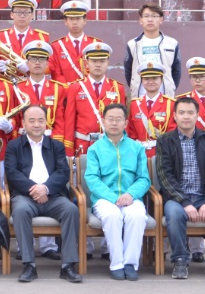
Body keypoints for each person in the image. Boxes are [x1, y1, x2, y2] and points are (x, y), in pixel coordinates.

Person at [156, 96, 205, 279]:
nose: (186, 116)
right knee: (174, 215)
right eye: (181, 112)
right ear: (174, 116)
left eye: (190, 113)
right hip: (177, 198)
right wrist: (184, 202)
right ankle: (180, 260)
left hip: (204, 197)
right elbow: (165, 176)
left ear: (197, 115)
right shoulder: (165, 141)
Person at [4, 104, 82, 284]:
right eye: (31, 121)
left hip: (53, 196)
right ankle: (29, 265)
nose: (36, 124)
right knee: (20, 211)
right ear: (23, 123)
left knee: (71, 210)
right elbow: (12, 173)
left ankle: (68, 266)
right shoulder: (14, 146)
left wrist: (45, 188)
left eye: (40, 120)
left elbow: (63, 172)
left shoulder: (56, 146)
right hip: (25, 196)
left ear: (46, 123)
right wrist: (34, 189)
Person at [12, 44, 68, 262]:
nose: (37, 63)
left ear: (47, 63)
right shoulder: (17, 87)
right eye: (33, 59)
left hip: (51, 146)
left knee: (49, 187)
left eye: (41, 59)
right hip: (24, 144)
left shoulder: (58, 88)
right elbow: (15, 118)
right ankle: (23, 246)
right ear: (26, 63)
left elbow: (61, 119)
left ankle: (48, 246)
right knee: (26, 192)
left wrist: (59, 145)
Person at [84, 103, 150, 281]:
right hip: (104, 199)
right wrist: (113, 198)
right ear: (103, 121)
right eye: (110, 119)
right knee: (113, 215)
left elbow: (144, 179)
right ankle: (117, 264)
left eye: (118, 119)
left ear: (126, 123)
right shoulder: (95, 149)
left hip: (131, 197)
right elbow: (92, 179)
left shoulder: (136, 148)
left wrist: (130, 194)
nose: (114, 123)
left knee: (137, 216)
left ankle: (130, 264)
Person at [63, 42, 124, 157]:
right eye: (94, 61)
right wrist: (69, 152)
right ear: (87, 63)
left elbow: (122, 121)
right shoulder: (75, 88)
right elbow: (70, 121)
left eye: (102, 61)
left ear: (108, 63)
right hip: (83, 146)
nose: (98, 65)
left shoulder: (117, 88)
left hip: (110, 145)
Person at [124, 4, 181, 98]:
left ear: (161, 19)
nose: (150, 19)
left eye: (154, 16)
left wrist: (170, 87)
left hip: (165, 95)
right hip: (140, 95)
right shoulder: (132, 44)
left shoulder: (172, 43)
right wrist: (135, 86)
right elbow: (128, 71)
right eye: (146, 16)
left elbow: (176, 71)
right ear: (140, 20)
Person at [0, 0, 49, 82]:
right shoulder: (0, 36)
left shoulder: (42, 37)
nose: (22, 16)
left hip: (31, 84)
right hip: (7, 84)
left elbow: (50, 66)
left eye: (26, 12)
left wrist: (31, 66)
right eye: (18, 12)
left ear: (32, 15)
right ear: (11, 14)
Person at [126, 62, 176, 157]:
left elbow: (172, 132)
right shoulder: (134, 104)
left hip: (161, 153)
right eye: (146, 79)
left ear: (161, 80)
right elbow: (131, 132)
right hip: (138, 153)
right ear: (142, 81)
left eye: (155, 78)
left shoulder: (170, 104)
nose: (151, 82)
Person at [48, 0, 100, 84]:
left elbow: (99, 72)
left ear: (85, 20)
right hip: (65, 90)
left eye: (78, 18)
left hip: (88, 90)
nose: (75, 22)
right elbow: (56, 74)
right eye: (71, 19)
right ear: (65, 21)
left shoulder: (94, 44)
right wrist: (71, 89)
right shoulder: (57, 46)